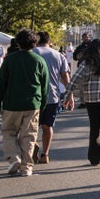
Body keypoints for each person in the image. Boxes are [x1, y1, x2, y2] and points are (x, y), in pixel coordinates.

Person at [0, 29, 48, 177]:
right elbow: (45, 86)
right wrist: (42, 104)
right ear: (34, 43)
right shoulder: (39, 61)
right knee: (29, 135)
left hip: (11, 104)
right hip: (32, 104)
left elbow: (1, 83)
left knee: (8, 132)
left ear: (18, 42)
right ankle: (27, 167)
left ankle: (14, 158)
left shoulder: (10, 59)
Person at [32, 30, 71, 163]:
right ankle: (45, 154)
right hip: (52, 95)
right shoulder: (58, 55)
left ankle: (34, 146)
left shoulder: (32, 53)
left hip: (34, 96)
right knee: (47, 126)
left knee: (32, 126)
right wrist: (69, 95)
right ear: (49, 41)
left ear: (36, 40)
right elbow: (65, 76)